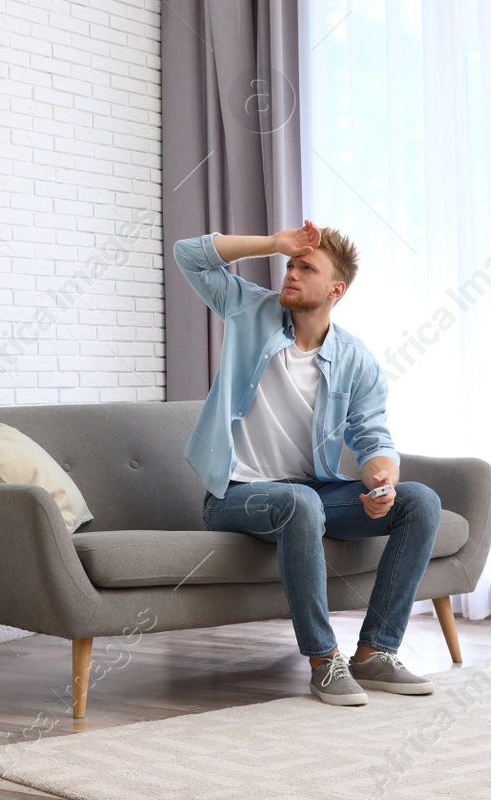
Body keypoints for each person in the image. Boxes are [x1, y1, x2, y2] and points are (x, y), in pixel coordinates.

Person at [174, 221, 442, 706]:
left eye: (306, 267)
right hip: (234, 496)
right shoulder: (248, 310)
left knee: (419, 501)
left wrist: (382, 479)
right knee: (300, 502)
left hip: (310, 495)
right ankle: (323, 661)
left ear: (336, 290)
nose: (291, 273)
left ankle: (375, 652)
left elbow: (373, 437)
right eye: (289, 265)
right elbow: (188, 254)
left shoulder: (355, 360)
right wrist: (275, 242)